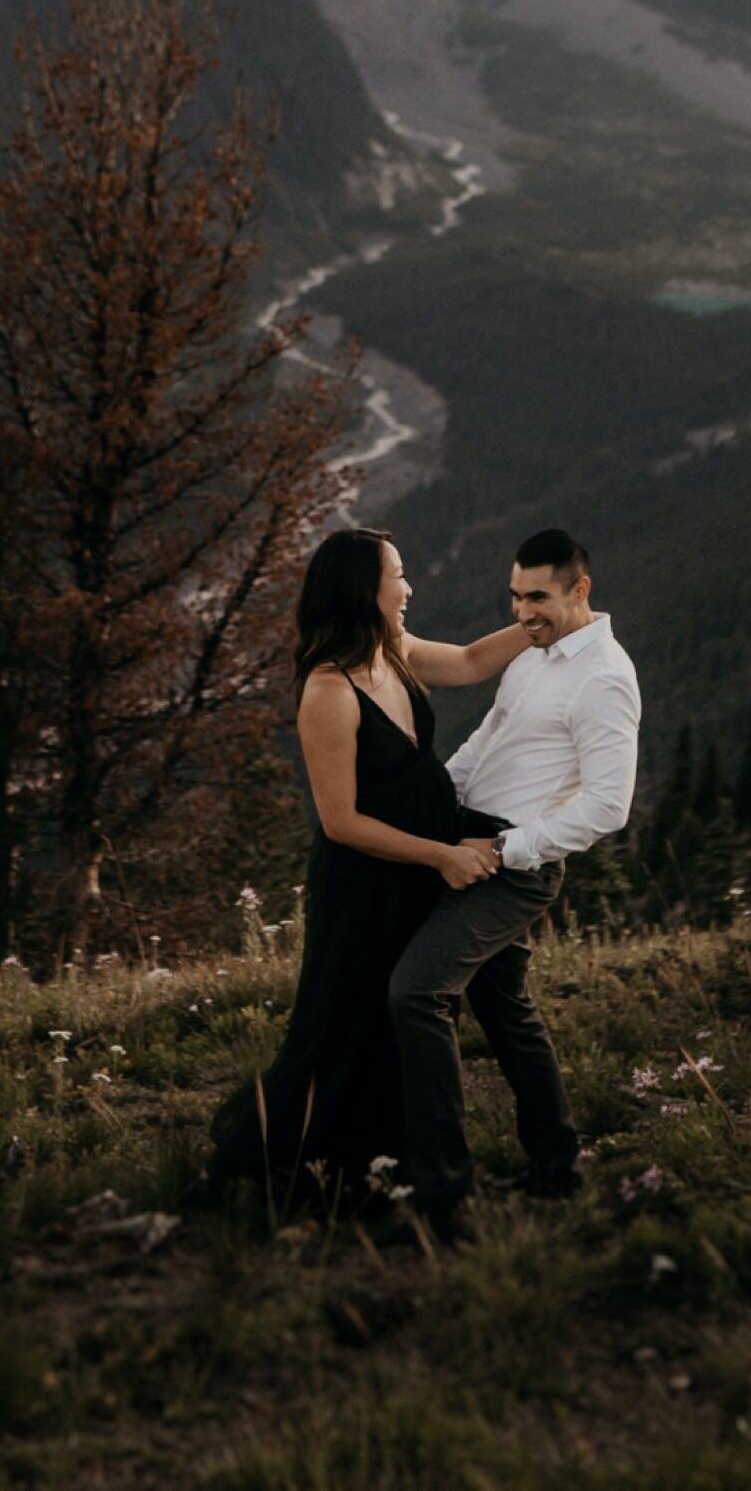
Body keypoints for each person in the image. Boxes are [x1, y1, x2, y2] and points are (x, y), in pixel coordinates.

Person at [204, 527, 528, 1210]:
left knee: (398, 1020)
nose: (409, 588)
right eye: (398, 575)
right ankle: (313, 1163)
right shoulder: (329, 689)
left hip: (413, 875)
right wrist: (443, 853)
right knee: (341, 1022)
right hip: (364, 886)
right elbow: (340, 820)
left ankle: (398, 1158)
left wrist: (542, 624)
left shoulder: (394, 652)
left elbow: (470, 660)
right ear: (363, 588)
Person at [387, 527, 640, 1238]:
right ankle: (555, 1166)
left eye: (537, 597)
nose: (522, 611)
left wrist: (509, 848)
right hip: (466, 834)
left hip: (514, 865)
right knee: (505, 1008)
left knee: (416, 992)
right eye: (515, 595)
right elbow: (487, 741)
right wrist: (438, 806)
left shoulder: (606, 678)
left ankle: (444, 1186)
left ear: (579, 589)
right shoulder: (533, 657)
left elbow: (607, 804)